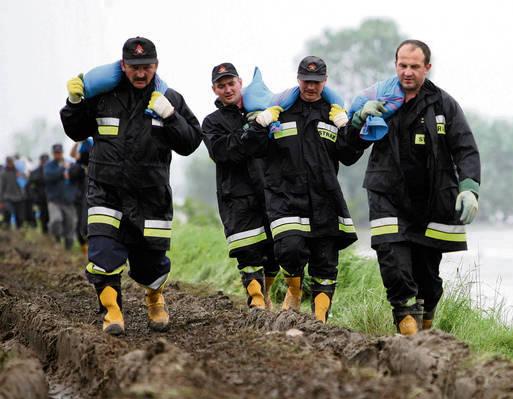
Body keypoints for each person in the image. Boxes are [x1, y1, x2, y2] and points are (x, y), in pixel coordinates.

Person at [60, 37, 202, 335]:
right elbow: (76, 131)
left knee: (150, 262)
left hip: (151, 196)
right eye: (134, 67)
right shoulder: (103, 97)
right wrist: (74, 103)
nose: (140, 73)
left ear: (156, 65)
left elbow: (190, 142)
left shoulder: (170, 98)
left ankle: (155, 298)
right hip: (106, 192)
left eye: (146, 67)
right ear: (123, 66)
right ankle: (112, 312)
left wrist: (170, 116)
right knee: (102, 253)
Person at [346, 40, 481, 336]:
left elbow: (465, 148)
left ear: (427, 68)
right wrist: (357, 121)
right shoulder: (379, 101)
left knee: (427, 279)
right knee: (394, 262)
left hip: (432, 200)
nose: (407, 72)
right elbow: (347, 152)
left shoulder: (444, 104)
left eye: (414, 66)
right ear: (395, 65)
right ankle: (407, 331)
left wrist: (469, 188)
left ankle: (426, 337)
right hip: (386, 194)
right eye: (402, 66)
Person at [258, 56, 362, 322]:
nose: (311, 87)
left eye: (316, 82)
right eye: (306, 81)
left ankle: (319, 324)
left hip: (325, 199)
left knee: (325, 264)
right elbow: (254, 149)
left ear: (325, 81)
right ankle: (294, 291)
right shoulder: (281, 111)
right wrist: (259, 124)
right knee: (289, 249)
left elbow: (349, 156)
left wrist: (347, 128)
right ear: (298, 79)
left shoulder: (333, 114)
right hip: (285, 198)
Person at [201, 63, 279, 310]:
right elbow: (223, 152)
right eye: (221, 85)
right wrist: (253, 129)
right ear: (214, 89)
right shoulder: (211, 123)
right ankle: (256, 300)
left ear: (240, 83)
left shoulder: (260, 110)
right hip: (235, 196)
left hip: (268, 190)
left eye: (231, 83)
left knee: (275, 252)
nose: (227, 89)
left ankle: (266, 295)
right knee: (247, 251)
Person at [43, 144, 82, 248]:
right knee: (56, 220)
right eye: (56, 153)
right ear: (53, 153)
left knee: (70, 226)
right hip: (54, 201)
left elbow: (77, 176)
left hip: (69, 201)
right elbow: (49, 176)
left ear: (62, 152)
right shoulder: (49, 165)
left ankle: (68, 249)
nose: (58, 154)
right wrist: (62, 169)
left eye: (59, 152)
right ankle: (56, 239)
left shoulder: (70, 163)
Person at [70, 139, 92, 256]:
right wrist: (77, 142)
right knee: (81, 223)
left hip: (88, 198)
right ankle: (84, 248)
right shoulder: (77, 168)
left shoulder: (94, 168)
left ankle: (88, 247)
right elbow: (72, 155)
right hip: (80, 197)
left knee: (86, 223)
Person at [26, 153, 50, 233]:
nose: (45, 163)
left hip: (51, 198)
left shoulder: (52, 171)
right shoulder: (35, 172)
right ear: (40, 161)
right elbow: (29, 186)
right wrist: (34, 197)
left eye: (46, 161)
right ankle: (45, 232)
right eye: (43, 161)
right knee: (43, 216)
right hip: (40, 199)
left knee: (51, 217)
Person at [0, 156, 25, 229]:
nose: (10, 163)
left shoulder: (18, 172)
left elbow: (24, 183)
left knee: (19, 217)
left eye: (11, 162)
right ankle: (7, 230)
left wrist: (21, 176)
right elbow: (1, 187)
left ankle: (19, 230)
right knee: (7, 214)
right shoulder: (3, 173)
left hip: (19, 197)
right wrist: (1, 200)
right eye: (8, 162)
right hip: (7, 198)